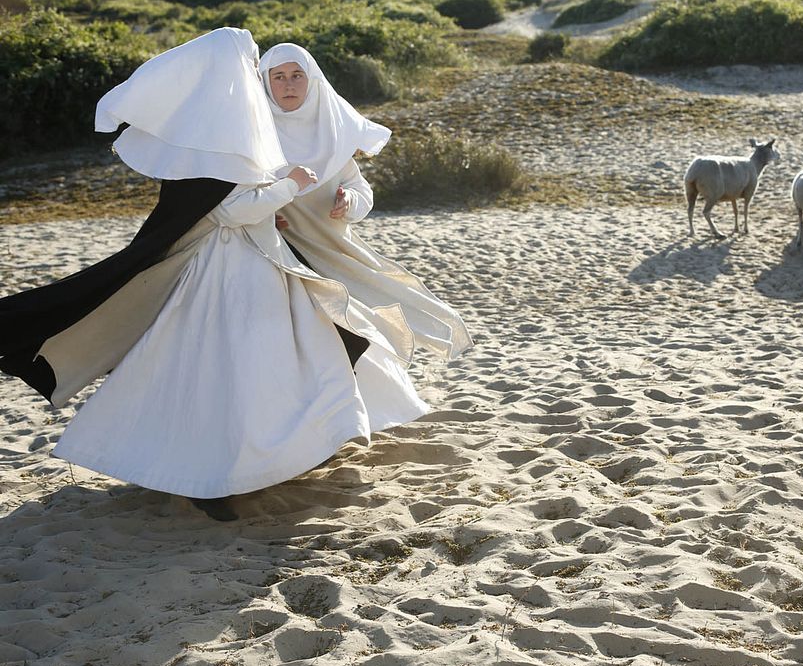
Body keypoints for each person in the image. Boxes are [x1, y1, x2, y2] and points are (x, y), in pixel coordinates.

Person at [0, 28, 401, 521]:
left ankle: (304, 447)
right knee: (224, 370)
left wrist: (273, 204)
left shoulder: (225, 126)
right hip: (225, 270)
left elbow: (232, 204)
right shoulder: (217, 135)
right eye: (254, 64)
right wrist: (288, 188)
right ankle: (209, 478)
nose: (259, 74)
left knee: (290, 352)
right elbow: (230, 212)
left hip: (258, 260)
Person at [256, 43, 472, 431]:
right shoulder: (254, 135)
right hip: (273, 253)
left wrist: (350, 201)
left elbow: (362, 190)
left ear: (312, 80)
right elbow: (236, 194)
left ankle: (358, 417)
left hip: (331, 249)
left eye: (297, 75)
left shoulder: (333, 132)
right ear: (265, 82)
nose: (288, 85)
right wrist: (263, 212)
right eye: (279, 76)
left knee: (350, 329)